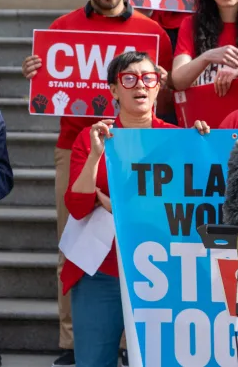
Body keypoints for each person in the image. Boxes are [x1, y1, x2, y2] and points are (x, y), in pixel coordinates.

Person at [20, 0, 173, 367]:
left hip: (138, 141)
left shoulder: (153, 32)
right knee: (76, 241)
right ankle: (75, 341)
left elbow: (163, 94)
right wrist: (37, 75)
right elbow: (47, 90)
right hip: (78, 144)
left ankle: (125, 338)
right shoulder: (61, 28)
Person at [61, 52, 182, 367]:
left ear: (158, 87)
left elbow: (179, 206)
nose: (140, 85)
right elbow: (77, 206)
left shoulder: (177, 138)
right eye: (129, 78)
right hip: (102, 271)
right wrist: (95, 156)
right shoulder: (91, 137)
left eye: (148, 78)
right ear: (114, 90)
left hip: (162, 270)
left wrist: (202, 142)